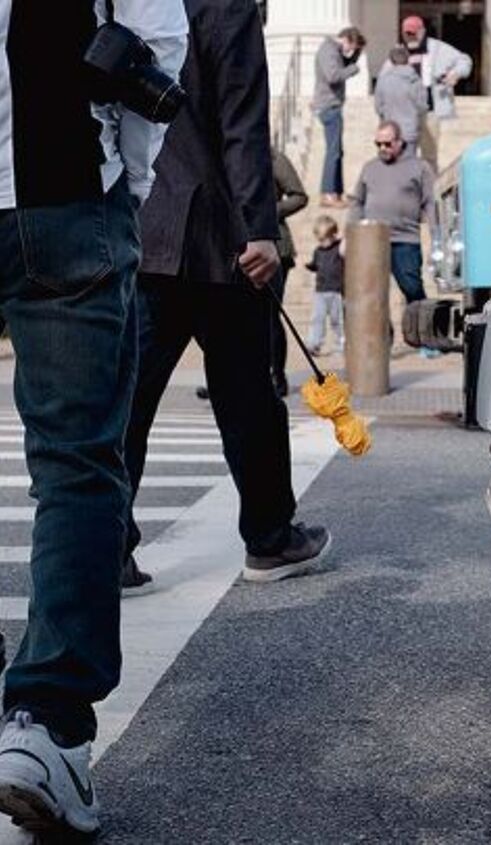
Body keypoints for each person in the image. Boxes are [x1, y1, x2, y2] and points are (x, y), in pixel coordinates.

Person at [0, 0, 187, 836]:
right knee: (76, 463)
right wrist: (128, 182)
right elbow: (158, 40)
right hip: (66, 190)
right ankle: (45, 728)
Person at [124, 0, 330, 595]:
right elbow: (243, 121)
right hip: (220, 236)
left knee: (127, 402)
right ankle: (269, 538)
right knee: (248, 401)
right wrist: (260, 227)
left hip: (145, 225)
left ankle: (108, 550)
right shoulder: (227, 7)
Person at [348, 121, 435, 308]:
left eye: (387, 144)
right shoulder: (369, 167)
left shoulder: (419, 167)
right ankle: (380, 328)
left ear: (400, 142)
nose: (382, 148)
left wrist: (436, 237)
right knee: (371, 294)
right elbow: (357, 202)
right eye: (378, 144)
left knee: (412, 289)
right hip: (372, 240)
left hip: (405, 240)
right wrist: (350, 235)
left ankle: (421, 325)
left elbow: (430, 202)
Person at [398, 15, 473, 171]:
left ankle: (430, 184)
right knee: (404, 154)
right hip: (407, 111)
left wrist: (456, 73)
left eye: (413, 33)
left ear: (422, 32)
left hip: (429, 110)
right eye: (407, 33)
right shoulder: (399, 51)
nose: (410, 37)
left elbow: (465, 60)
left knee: (429, 156)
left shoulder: (438, 48)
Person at [270, 147, 309, 398]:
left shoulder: (274, 158)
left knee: (269, 315)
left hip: (275, 247)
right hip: (232, 245)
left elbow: (299, 196)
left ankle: (277, 377)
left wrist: (267, 210)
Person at [313, 26, 367, 209]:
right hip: (329, 106)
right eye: (351, 47)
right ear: (346, 39)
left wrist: (356, 53)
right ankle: (328, 193)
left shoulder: (334, 51)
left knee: (337, 151)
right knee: (333, 152)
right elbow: (333, 76)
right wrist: (353, 69)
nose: (350, 51)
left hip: (332, 105)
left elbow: (342, 65)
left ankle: (337, 192)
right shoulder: (328, 51)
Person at [374, 46, 428, 158]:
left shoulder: (383, 80)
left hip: (389, 132)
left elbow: (378, 107)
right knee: (409, 164)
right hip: (409, 130)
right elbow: (422, 106)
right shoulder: (415, 80)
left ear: (391, 61)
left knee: (390, 165)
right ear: (408, 59)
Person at [306, 216, 345, 356]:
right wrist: (311, 266)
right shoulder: (318, 251)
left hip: (337, 291)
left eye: (325, 239)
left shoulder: (339, 249)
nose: (322, 243)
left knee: (337, 320)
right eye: (320, 240)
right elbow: (316, 265)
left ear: (333, 235)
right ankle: (314, 344)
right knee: (317, 318)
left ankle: (342, 344)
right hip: (320, 291)